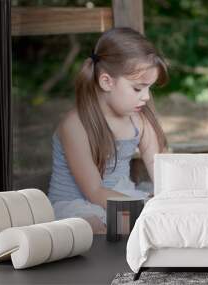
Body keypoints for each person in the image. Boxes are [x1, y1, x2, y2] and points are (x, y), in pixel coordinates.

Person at [47, 27, 169, 234]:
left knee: (157, 217)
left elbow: (159, 168)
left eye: (150, 88)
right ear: (106, 82)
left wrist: (168, 199)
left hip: (121, 195)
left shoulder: (138, 119)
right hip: (78, 205)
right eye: (138, 88)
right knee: (97, 226)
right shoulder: (76, 125)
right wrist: (140, 208)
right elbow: (94, 192)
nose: (147, 97)